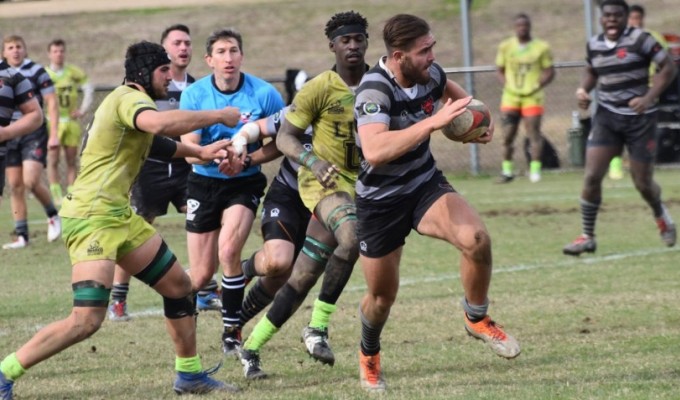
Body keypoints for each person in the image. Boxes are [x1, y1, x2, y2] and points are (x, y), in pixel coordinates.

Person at [0, 41, 244, 399]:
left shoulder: (130, 107)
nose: (170, 80)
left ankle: (189, 375)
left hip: (119, 217)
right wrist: (219, 115)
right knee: (86, 320)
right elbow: (159, 123)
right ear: (145, 73)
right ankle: (5, 372)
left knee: (179, 287)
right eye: (164, 72)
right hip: (92, 218)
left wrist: (200, 151)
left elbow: (159, 143)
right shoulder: (128, 98)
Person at [354, 14, 521, 393]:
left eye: (432, 47)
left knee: (476, 239)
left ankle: (476, 317)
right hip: (379, 201)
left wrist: (478, 123)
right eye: (423, 50)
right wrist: (432, 123)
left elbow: (463, 100)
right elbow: (376, 150)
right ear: (399, 56)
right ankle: (369, 354)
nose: (432, 56)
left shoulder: (430, 74)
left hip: (423, 184)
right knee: (381, 298)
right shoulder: (373, 91)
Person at [238, 10, 368, 380]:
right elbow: (283, 137)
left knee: (302, 277)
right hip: (323, 185)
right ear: (333, 46)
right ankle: (317, 328)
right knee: (352, 238)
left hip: (360, 188)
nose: (353, 45)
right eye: (346, 40)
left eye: (359, 39)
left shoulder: (380, 83)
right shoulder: (320, 87)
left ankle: (250, 348)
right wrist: (312, 160)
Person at [179, 28, 284, 357]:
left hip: (244, 181)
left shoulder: (264, 94)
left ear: (242, 56)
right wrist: (221, 155)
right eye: (221, 52)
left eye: (234, 51)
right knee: (200, 275)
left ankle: (231, 333)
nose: (228, 58)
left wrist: (246, 159)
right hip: (203, 181)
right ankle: (182, 316)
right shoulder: (194, 95)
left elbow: (281, 142)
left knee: (228, 252)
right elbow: (189, 148)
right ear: (209, 60)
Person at [107, 24, 222, 322]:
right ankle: (118, 298)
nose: (183, 48)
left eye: (187, 42)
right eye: (177, 43)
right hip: (150, 170)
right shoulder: (147, 87)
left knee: (206, 220)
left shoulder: (197, 87)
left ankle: (206, 286)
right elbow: (156, 128)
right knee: (134, 229)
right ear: (164, 50)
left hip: (186, 169)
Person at [563, 0, 677, 256]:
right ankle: (587, 236)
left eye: (617, 15)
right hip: (607, 117)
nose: (612, 19)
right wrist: (584, 90)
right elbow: (592, 70)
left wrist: (649, 97)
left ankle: (660, 214)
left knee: (643, 183)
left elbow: (667, 68)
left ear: (626, 18)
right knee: (592, 176)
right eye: (607, 16)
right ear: (601, 19)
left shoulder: (642, 40)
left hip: (640, 119)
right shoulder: (594, 44)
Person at [236, 106, 312, 335]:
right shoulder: (309, 104)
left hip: (326, 203)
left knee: (284, 276)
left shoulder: (362, 114)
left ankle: (236, 324)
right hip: (288, 195)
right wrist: (240, 141)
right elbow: (258, 127)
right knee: (278, 262)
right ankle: (244, 270)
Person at [0, 35, 61, 249]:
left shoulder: (36, 71)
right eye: (10, 47)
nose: (15, 51)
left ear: (25, 50)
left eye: (19, 47)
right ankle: (22, 236)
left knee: (31, 181)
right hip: (8, 135)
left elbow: (51, 103)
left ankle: (53, 215)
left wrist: (54, 133)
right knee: (15, 185)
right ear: (4, 52)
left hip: (32, 133)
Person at [608, 3, 670, 180]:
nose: (635, 21)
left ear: (642, 19)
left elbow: (664, 66)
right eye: (632, 18)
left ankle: (641, 165)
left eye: (638, 18)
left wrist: (654, 90)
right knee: (618, 128)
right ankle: (616, 164)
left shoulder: (653, 37)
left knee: (642, 132)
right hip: (622, 91)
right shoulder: (617, 38)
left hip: (646, 92)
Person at [495, 13, 555, 183]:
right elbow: (499, 69)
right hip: (511, 97)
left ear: (529, 27)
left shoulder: (541, 47)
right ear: (515, 28)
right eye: (519, 25)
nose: (522, 28)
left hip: (532, 97)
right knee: (507, 135)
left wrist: (538, 84)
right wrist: (506, 84)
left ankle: (535, 171)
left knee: (533, 134)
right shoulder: (506, 46)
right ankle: (507, 171)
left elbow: (549, 70)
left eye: (525, 25)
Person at [45, 38, 94, 205]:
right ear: (49, 54)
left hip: (71, 122)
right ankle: (55, 192)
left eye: (61, 51)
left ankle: (72, 192)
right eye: (55, 51)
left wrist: (83, 109)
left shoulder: (72, 72)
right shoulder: (44, 74)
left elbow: (88, 87)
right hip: (53, 122)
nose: (59, 54)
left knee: (71, 159)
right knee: (53, 159)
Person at [0, 68, 44, 207]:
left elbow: (36, 116)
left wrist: (5, 133)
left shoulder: (13, 77)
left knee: (25, 182)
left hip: (4, 150)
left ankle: (51, 215)